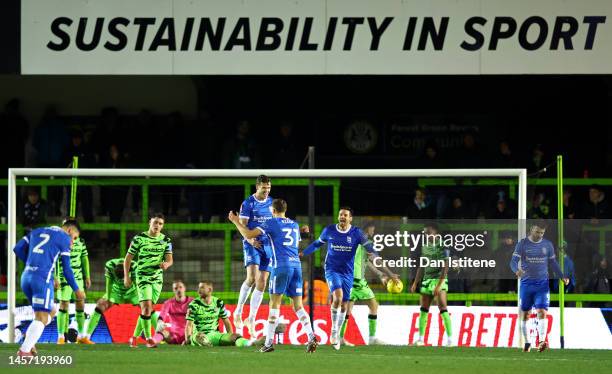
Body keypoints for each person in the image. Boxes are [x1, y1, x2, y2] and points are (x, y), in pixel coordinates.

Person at [229, 199, 318, 353]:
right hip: (296, 266)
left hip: (280, 266)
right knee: (298, 306)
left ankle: (269, 342)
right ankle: (311, 335)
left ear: (272, 210)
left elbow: (248, 234)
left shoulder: (271, 223)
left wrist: (236, 222)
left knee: (274, 304)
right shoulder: (294, 225)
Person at [302, 207, 378, 350]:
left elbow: (369, 247)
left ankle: (337, 334)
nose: (342, 217)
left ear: (350, 218)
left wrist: (377, 257)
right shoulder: (329, 230)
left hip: (347, 273)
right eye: (340, 215)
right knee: (337, 297)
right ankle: (334, 332)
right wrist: (304, 253)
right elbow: (318, 243)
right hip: (332, 270)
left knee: (343, 305)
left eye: (345, 215)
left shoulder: (356, 233)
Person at [12, 220, 85, 356]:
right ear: (69, 230)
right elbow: (67, 269)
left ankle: (29, 341)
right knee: (42, 317)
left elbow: (17, 248)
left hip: (26, 277)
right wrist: (77, 290)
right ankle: (24, 351)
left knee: (51, 310)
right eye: (74, 237)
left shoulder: (37, 231)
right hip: (42, 280)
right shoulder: (64, 238)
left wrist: (31, 263)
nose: (73, 242)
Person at [510, 221, 569, 352]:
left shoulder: (547, 245)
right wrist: (516, 270)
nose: (539, 235)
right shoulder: (522, 244)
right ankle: (527, 342)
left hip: (542, 285)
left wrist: (562, 275)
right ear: (532, 229)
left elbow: (553, 263)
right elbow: (513, 261)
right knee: (526, 315)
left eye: (542, 233)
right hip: (526, 285)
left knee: (542, 312)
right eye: (537, 232)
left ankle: (542, 341)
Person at [339, 222, 398, 346]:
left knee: (355, 309)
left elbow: (368, 261)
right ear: (368, 229)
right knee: (368, 307)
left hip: (352, 280)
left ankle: (344, 338)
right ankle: (369, 338)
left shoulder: (354, 242)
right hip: (355, 281)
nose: (373, 232)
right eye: (373, 230)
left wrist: (380, 274)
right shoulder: (366, 243)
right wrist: (391, 274)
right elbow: (377, 261)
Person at [124, 213, 173, 348]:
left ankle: (134, 338)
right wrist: (127, 276)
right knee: (146, 308)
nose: (157, 225)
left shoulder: (165, 241)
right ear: (149, 223)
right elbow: (128, 259)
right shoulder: (139, 239)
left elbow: (170, 259)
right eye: (155, 222)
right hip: (142, 277)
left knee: (148, 310)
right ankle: (149, 339)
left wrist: (166, 265)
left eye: (160, 223)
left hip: (157, 279)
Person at [234, 175, 273, 336]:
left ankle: (251, 318)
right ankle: (238, 311)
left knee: (262, 282)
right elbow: (242, 226)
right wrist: (250, 241)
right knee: (252, 277)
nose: (266, 191)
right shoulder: (248, 203)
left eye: (269, 188)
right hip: (252, 243)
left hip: (268, 245)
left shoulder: (272, 203)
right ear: (257, 187)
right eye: (264, 188)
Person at [410, 223, 454, 347]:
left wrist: (439, 285)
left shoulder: (443, 246)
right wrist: (415, 282)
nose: (427, 235)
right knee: (423, 309)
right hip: (427, 281)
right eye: (425, 234)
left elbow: (446, 267)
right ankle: (420, 339)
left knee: (443, 307)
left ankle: (450, 340)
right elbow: (422, 265)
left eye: (429, 233)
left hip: (439, 280)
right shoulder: (425, 246)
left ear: (436, 233)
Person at [185, 281, 260, 348]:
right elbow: (189, 325)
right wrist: (187, 339)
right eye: (199, 288)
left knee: (235, 337)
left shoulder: (218, 303)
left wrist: (230, 336)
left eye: (202, 288)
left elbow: (226, 321)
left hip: (214, 335)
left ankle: (251, 343)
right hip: (197, 335)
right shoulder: (194, 304)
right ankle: (204, 342)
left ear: (210, 290)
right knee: (199, 336)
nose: (198, 290)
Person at [81, 257, 139, 343]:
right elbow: (109, 282)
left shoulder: (134, 266)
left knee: (147, 308)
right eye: (119, 279)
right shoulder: (110, 265)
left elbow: (138, 284)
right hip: (115, 291)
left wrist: (141, 299)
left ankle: (158, 336)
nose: (122, 281)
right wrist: (108, 298)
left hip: (132, 292)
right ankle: (86, 337)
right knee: (100, 306)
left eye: (123, 278)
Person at [54, 219, 91, 344]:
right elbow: (54, 260)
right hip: (64, 278)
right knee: (63, 305)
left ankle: (81, 336)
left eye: (76, 238)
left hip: (78, 278)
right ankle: (60, 337)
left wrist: (87, 276)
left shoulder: (81, 242)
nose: (74, 241)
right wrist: (56, 277)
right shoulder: (58, 242)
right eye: (74, 237)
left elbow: (84, 259)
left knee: (80, 305)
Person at [151, 280, 193, 345]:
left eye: (180, 287)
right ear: (173, 290)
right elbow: (162, 315)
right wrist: (160, 322)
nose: (178, 290)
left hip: (189, 335)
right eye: (176, 288)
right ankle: (152, 341)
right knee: (161, 331)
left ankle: (187, 341)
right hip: (174, 336)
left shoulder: (192, 302)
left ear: (184, 288)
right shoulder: (168, 303)